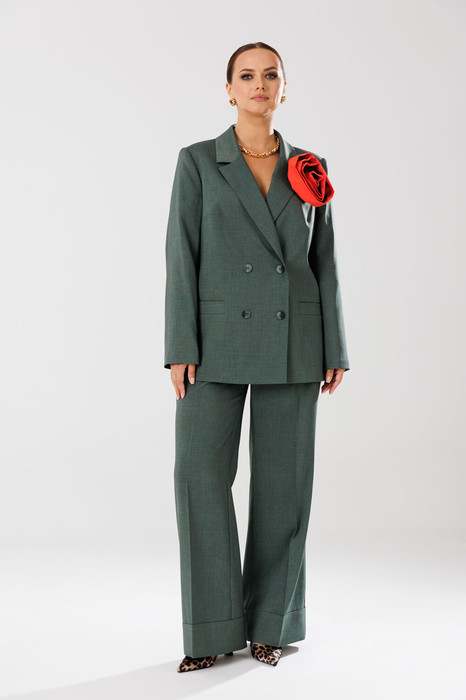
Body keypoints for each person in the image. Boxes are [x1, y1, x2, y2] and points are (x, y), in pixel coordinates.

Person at [164, 41, 350, 672]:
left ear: (284, 88)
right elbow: (180, 255)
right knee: (198, 477)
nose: (259, 84)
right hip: (215, 342)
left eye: (271, 75)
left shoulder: (309, 167)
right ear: (229, 89)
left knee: (284, 486)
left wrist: (335, 343)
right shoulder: (198, 161)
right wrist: (180, 345)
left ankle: (273, 623)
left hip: (296, 340)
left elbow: (325, 260)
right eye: (247, 75)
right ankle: (212, 630)